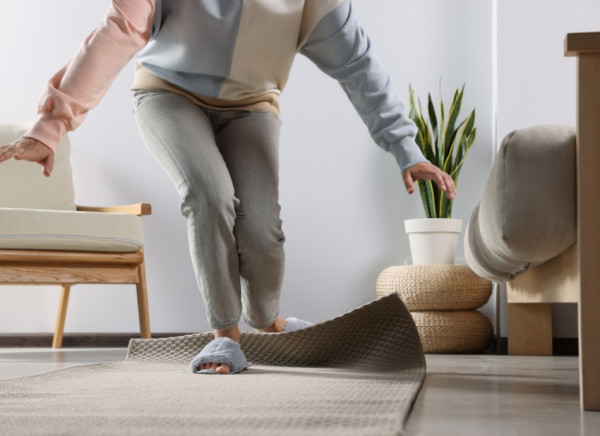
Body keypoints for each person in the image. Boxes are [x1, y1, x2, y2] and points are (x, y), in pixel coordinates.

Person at [0, 0, 456, 374]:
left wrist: (405, 147)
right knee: (209, 195)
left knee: (260, 227)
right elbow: (117, 31)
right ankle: (225, 337)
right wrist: (51, 126)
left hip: (252, 104)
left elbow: (358, 64)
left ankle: (266, 319)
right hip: (168, 93)